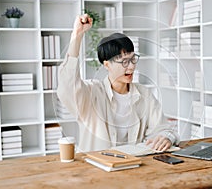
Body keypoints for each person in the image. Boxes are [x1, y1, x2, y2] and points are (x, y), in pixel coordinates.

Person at [57, 14, 180, 152]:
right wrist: (77, 35)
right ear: (107, 64)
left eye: (133, 59)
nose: (131, 67)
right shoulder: (91, 93)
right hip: (96, 169)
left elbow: (163, 128)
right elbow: (67, 86)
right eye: (124, 62)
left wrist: (166, 137)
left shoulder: (144, 94)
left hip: (135, 166)